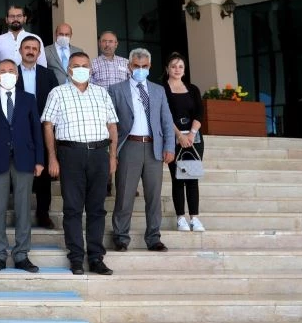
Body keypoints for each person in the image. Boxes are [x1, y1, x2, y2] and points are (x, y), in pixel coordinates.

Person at [42, 52, 118, 275]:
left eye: (85, 65)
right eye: (76, 66)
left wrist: (112, 156)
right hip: (70, 154)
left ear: (91, 69)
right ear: (69, 69)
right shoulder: (58, 93)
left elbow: (112, 125)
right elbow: (48, 126)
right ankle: (76, 258)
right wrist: (52, 157)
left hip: (99, 154)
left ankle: (95, 257)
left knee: (97, 209)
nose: (81, 69)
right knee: (73, 208)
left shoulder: (102, 93)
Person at [0, 59, 44, 273]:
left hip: (25, 159)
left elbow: (37, 131)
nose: (7, 74)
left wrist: (39, 160)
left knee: (23, 209)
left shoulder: (28, 99)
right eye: (3, 71)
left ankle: (21, 254)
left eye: (11, 71)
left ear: (17, 75)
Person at [108, 48, 175, 252]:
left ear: (150, 66)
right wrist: (112, 152)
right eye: (136, 66)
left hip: (154, 147)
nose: (140, 69)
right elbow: (110, 123)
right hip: (128, 146)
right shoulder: (116, 89)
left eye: (144, 66)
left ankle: (154, 238)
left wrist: (169, 146)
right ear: (129, 66)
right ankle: (121, 237)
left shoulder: (158, 90)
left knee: (154, 196)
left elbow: (166, 120)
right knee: (125, 195)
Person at [15, 35, 59, 229]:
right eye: (27, 48)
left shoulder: (48, 75)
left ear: (39, 53)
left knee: (43, 175)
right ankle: (20, 213)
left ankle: (43, 213)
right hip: (17, 129)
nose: (30, 51)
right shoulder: (11, 73)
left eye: (34, 48)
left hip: (43, 128)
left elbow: (56, 101)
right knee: (18, 171)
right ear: (20, 51)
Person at [163, 52, 206, 232]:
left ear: (184, 70)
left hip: (194, 138)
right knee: (178, 179)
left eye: (180, 66)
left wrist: (191, 134)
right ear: (167, 69)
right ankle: (181, 218)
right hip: (173, 137)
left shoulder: (193, 89)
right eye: (173, 66)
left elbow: (199, 113)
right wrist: (179, 135)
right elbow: (165, 114)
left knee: (192, 178)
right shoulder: (162, 89)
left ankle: (194, 218)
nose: (177, 69)